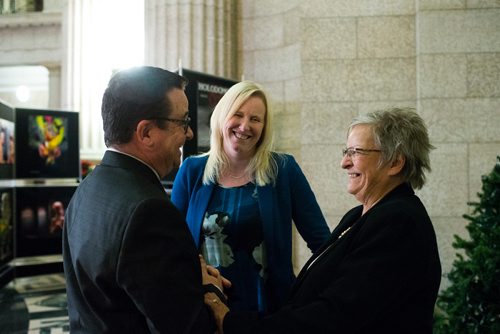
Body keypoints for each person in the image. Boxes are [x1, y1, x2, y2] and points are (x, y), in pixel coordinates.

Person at [204, 107, 442, 334]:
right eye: (345, 152)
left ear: (395, 163)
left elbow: (336, 316)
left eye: (355, 152)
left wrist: (232, 323)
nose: (344, 163)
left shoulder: (399, 223)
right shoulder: (360, 215)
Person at [63, 66, 227, 333]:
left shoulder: (89, 186)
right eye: (183, 122)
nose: (190, 134)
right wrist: (210, 289)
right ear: (146, 132)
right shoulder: (149, 213)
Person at [171, 80, 330, 313]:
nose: (245, 126)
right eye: (238, 115)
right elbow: (173, 245)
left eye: (255, 119)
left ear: (264, 127)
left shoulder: (284, 169)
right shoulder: (192, 170)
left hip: (268, 309)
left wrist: (315, 298)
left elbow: (323, 244)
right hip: (206, 306)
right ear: (222, 117)